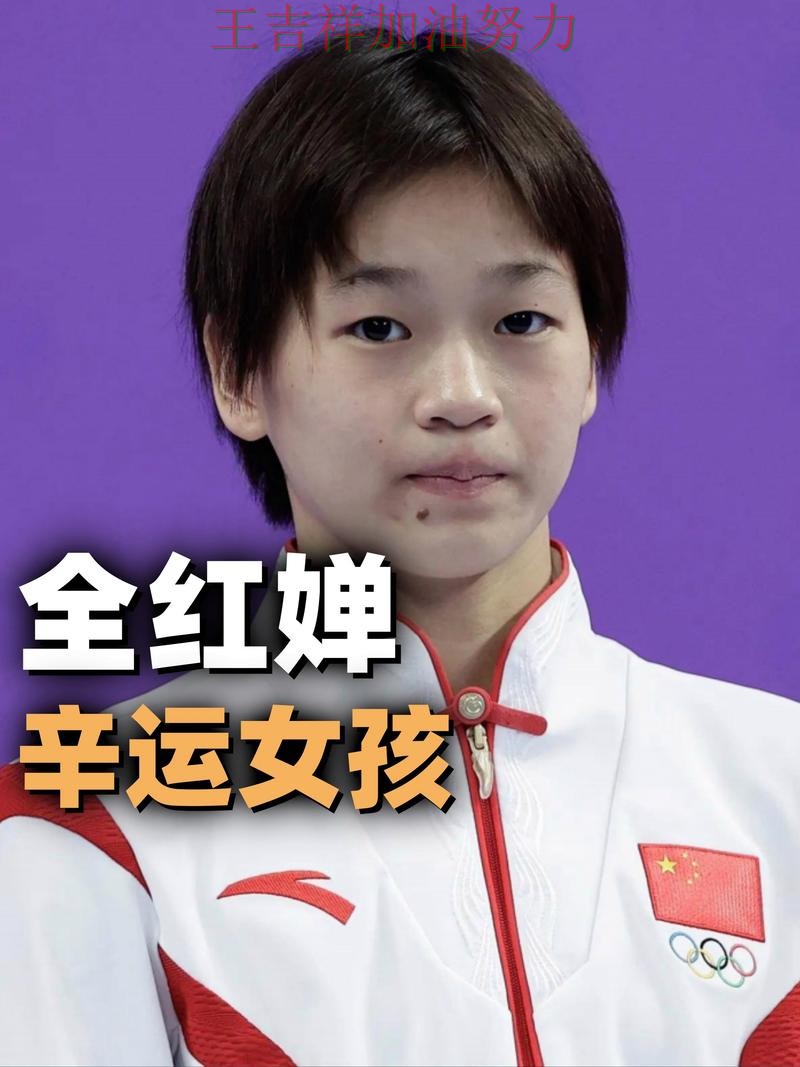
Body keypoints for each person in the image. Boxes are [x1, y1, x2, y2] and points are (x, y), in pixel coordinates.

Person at [1, 27, 798, 1067]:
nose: (461, 396)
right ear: (237, 370)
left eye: (521, 320)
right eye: (380, 328)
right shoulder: (94, 829)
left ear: (593, 356)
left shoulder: (777, 785)